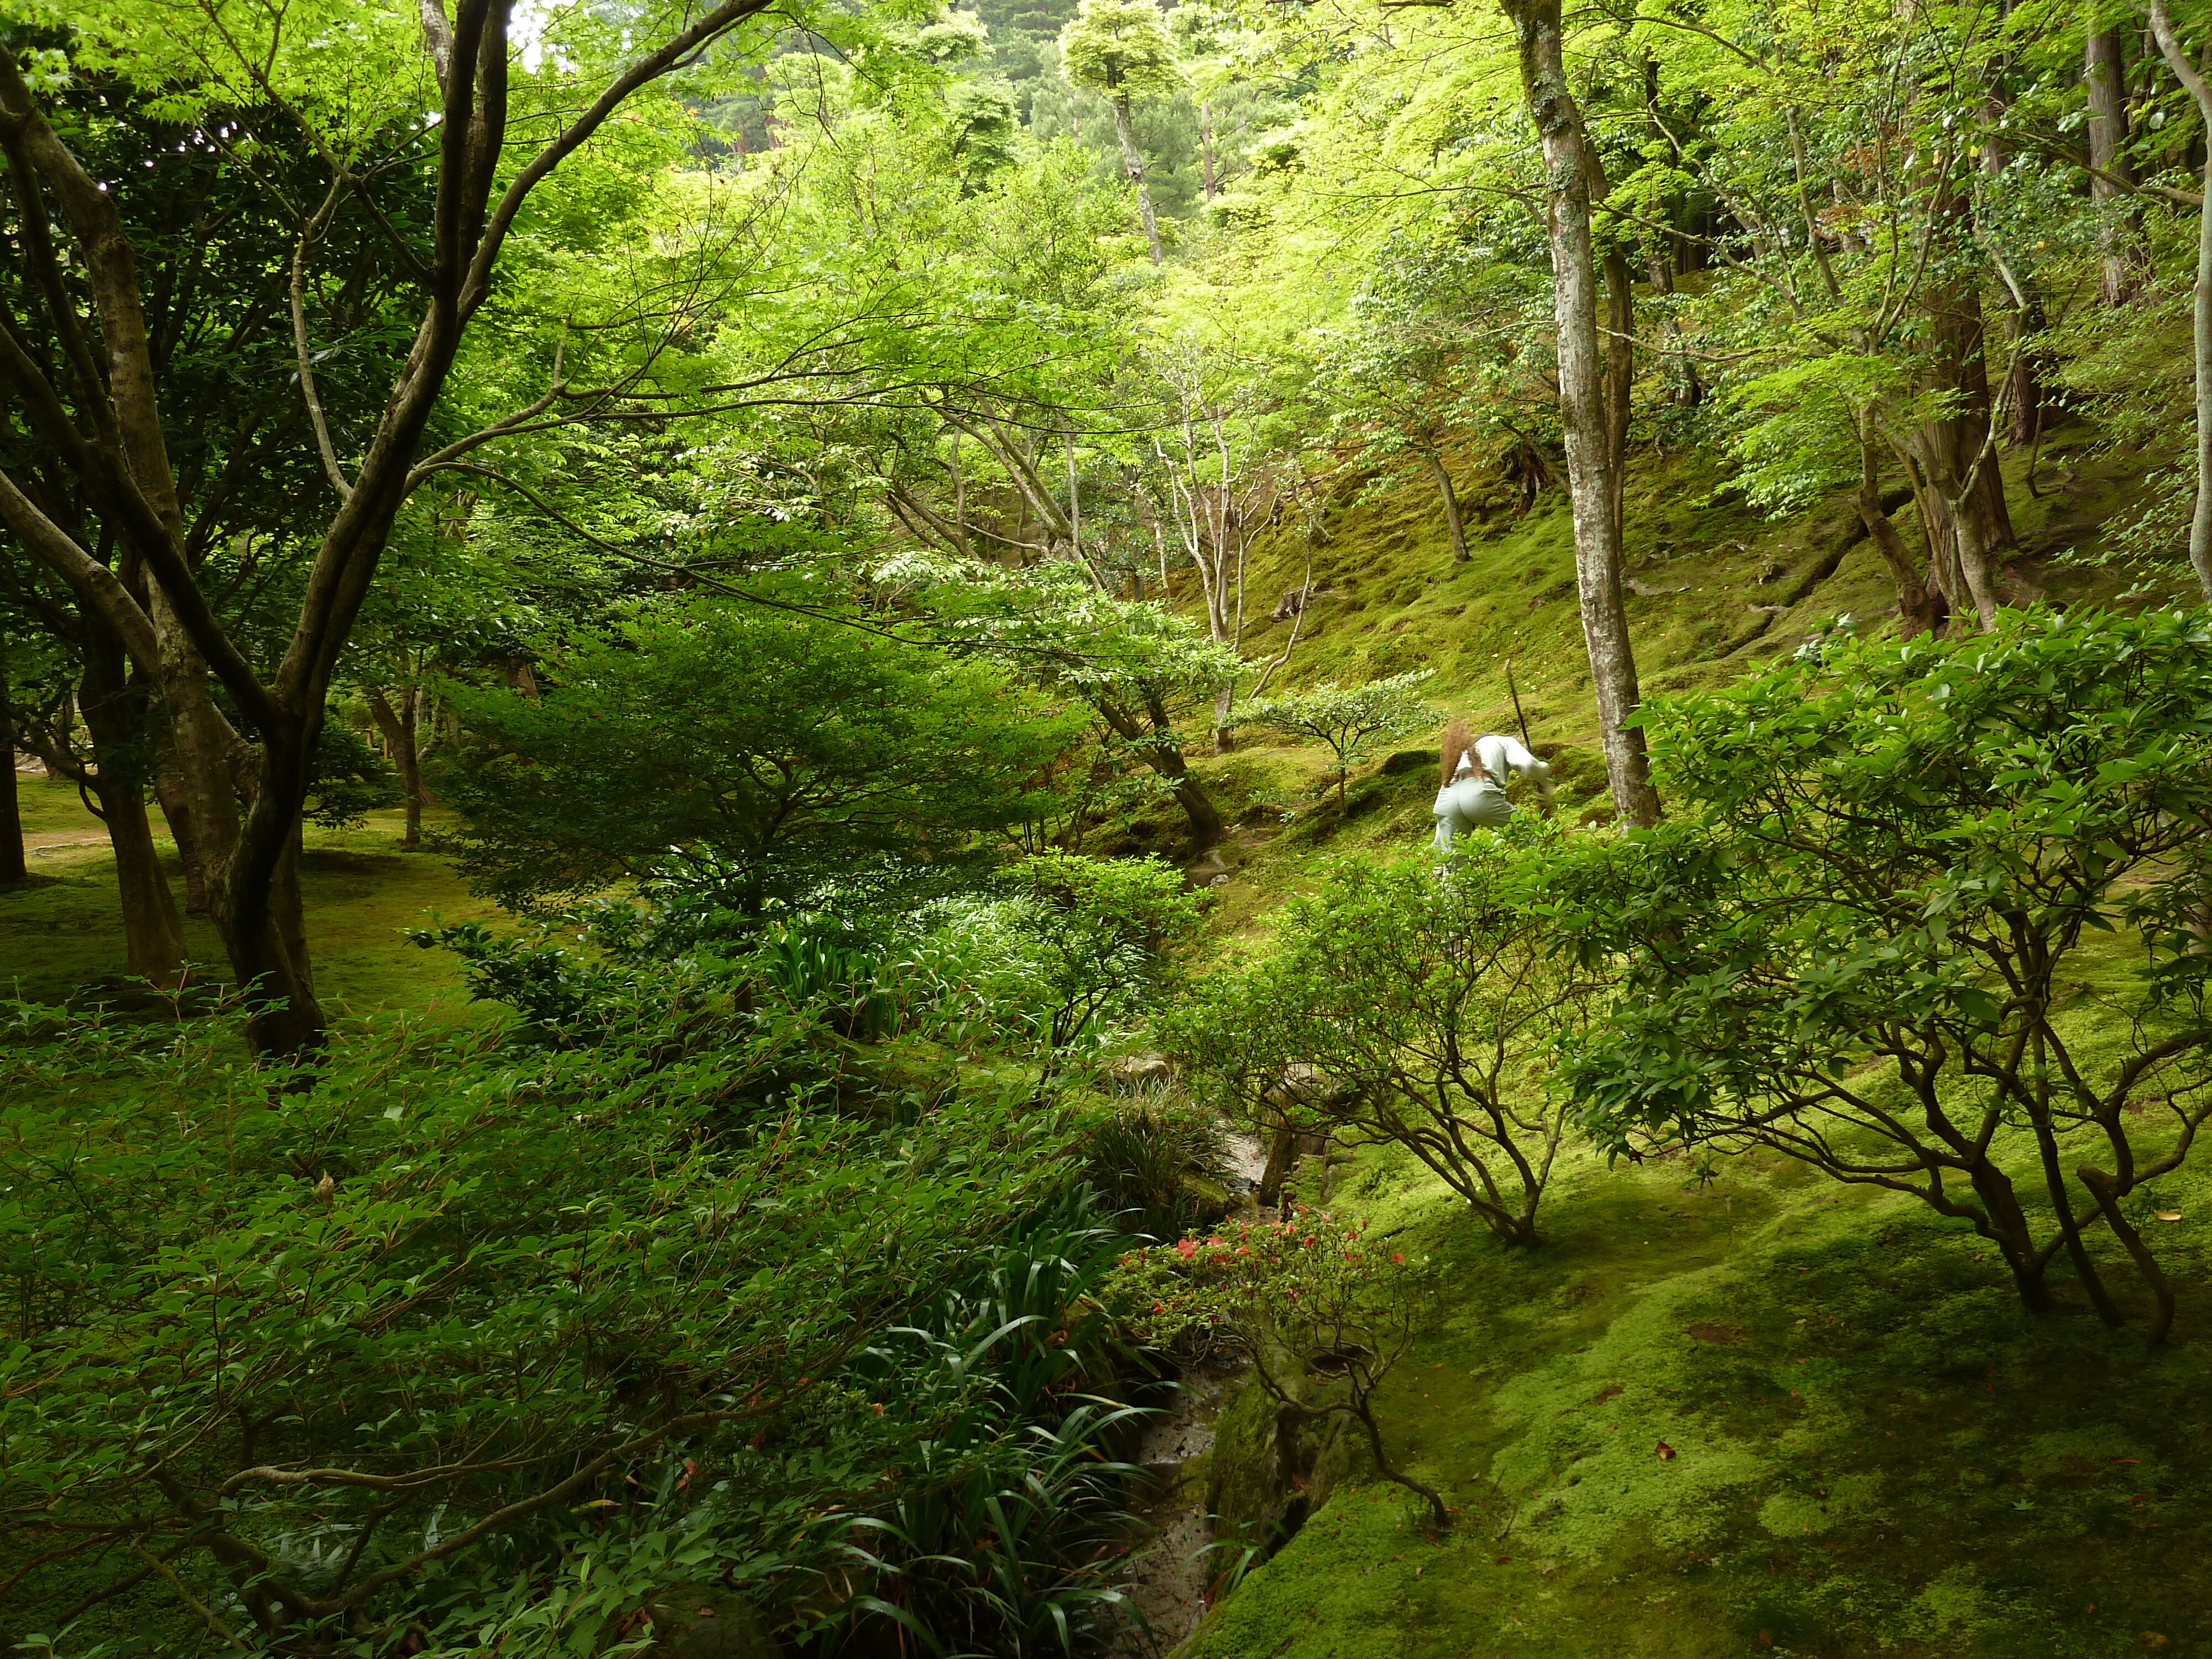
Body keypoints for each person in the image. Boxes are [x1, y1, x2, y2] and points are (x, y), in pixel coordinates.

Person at [1432, 719, 1553, 854]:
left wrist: (1439, 855)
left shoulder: (1461, 755)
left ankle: (1446, 874)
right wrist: (1544, 780)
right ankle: (1553, 866)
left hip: (1447, 797)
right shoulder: (1503, 741)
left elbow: (1443, 815)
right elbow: (1528, 764)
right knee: (1533, 837)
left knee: (1453, 862)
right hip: (1477, 793)